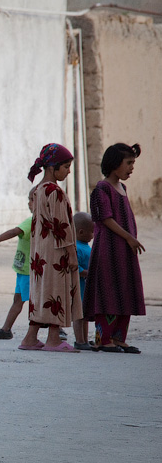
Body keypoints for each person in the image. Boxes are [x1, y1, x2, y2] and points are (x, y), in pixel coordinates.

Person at [18, 144, 82, 353]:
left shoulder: (37, 190)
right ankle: (54, 339)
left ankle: (30, 338)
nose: (68, 171)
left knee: (42, 292)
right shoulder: (54, 191)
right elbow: (61, 226)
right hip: (56, 250)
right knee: (56, 292)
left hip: (40, 252)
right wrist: (72, 254)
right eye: (65, 166)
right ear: (53, 167)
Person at [82, 143, 145, 354]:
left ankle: (118, 338)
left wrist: (129, 240)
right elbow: (105, 218)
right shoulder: (102, 188)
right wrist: (129, 237)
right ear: (114, 164)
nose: (131, 168)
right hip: (109, 249)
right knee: (107, 292)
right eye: (128, 163)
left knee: (123, 291)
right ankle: (103, 338)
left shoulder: (122, 188)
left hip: (124, 249)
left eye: (133, 163)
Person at [0, 192, 35, 340]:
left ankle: (55, 329)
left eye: (32, 200)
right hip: (23, 270)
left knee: (34, 302)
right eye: (28, 199)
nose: (29, 203)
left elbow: (14, 231)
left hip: (28, 271)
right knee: (19, 300)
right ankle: (5, 329)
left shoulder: (32, 221)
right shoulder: (37, 221)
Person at [72, 212, 94, 351]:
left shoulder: (86, 247)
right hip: (79, 287)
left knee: (84, 316)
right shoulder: (77, 247)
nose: (93, 234)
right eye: (92, 231)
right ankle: (79, 340)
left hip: (86, 287)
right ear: (81, 232)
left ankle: (85, 340)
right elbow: (75, 267)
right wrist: (87, 273)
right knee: (78, 316)